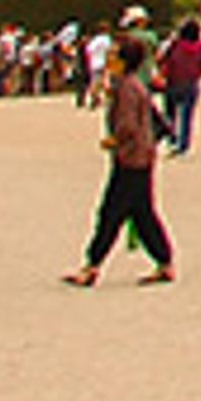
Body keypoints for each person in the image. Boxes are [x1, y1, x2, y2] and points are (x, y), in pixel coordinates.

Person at [62, 30, 173, 287]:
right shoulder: (132, 84)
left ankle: (92, 266)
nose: (109, 58)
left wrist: (114, 140)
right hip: (142, 156)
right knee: (142, 213)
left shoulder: (126, 88)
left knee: (111, 213)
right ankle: (164, 261)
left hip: (131, 158)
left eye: (113, 54)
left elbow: (127, 125)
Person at [158, 20, 201, 155]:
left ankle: (172, 138)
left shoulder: (176, 45)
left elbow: (163, 59)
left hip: (173, 82)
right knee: (187, 116)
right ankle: (184, 143)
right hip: (191, 83)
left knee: (170, 113)